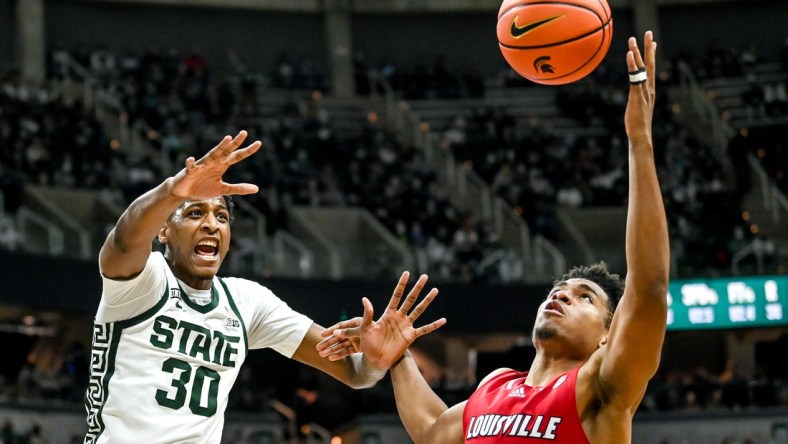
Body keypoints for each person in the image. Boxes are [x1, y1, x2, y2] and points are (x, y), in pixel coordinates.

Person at [318, 31, 668, 443]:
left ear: (609, 334)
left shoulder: (600, 387)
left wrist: (640, 142)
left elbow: (648, 289)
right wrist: (398, 360)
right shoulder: (496, 386)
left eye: (584, 297)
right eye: (560, 288)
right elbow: (433, 431)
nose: (561, 295)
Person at [83, 130, 444, 443]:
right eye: (195, 213)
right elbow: (123, 242)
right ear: (164, 230)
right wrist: (173, 192)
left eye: (221, 217)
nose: (212, 225)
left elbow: (353, 372)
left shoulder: (246, 302)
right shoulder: (144, 281)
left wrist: (381, 360)